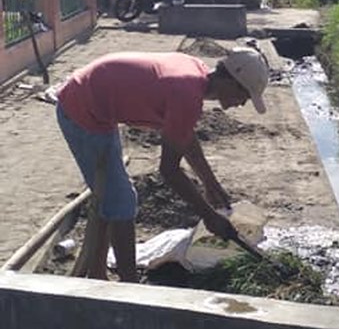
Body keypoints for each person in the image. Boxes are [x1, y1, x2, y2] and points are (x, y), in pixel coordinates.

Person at [56, 44, 270, 283]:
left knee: (111, 195)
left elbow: (184, 136)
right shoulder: (186, 92)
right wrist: (209, 216)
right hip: (82, 109)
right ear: (231, 81)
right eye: (245, 96)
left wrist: (210, 182)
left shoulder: (196, 74)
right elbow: (168, 170)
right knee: (122, 201)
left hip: (98, 104)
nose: (243, 104)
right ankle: (129, 286)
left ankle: (97, 274)